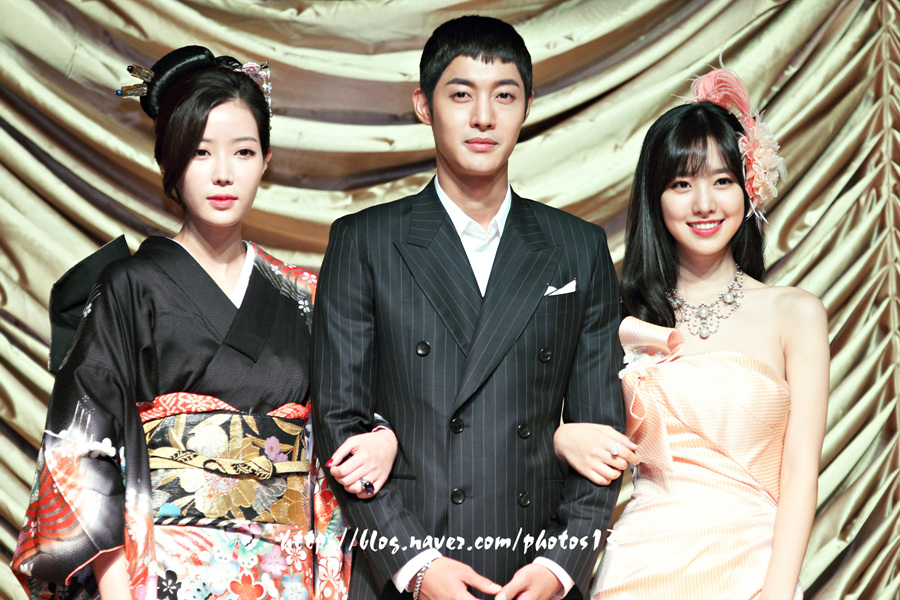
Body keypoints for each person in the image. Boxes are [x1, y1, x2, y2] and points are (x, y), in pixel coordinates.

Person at [11, 45, 397, 600]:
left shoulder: (307, 295)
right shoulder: (129, 287)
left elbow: (359, 403)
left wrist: (383, 437)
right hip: (158, 567)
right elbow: (81, 447)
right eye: (199, 152)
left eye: (243, 152)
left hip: (285, 571)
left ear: (266, 160)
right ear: (168, 162)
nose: (223, 174)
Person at [311, 15, 624, 600]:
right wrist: (416, 565)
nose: (484, 117)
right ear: (423, 106)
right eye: (461, 95)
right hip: (406, 563)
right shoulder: (365, 241)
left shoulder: (577, 247)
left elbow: (601, 434)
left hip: (532, 567)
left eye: (504, 96)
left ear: (527, 106)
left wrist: (561, 566)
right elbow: (340, 420)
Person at [554, 69, 829, 599]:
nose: (704, 203)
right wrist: (561, 438)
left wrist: (778, 591)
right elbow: (545, 422)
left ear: (748, 188)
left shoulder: (796, 314)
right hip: (638, 567)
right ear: (655, 197)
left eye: (722, 181)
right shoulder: (620, 315)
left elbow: (800, 470)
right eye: (682, 184)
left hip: (755, 568)